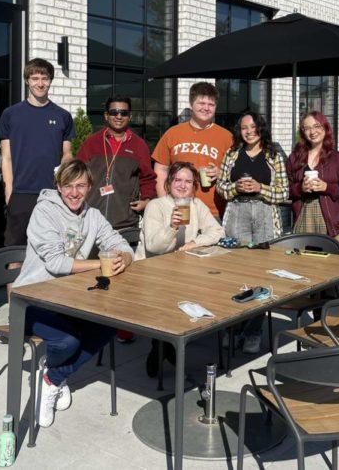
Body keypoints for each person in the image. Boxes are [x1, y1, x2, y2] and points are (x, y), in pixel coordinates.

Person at [12, 159, 134, 428]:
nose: (75, 193)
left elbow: (119, 243)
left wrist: (124, 257)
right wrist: (100, 264)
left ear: (90, 187)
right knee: (67, 343)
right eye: (68, 186)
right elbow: (56, 263)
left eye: (81, 186)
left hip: (70, 299)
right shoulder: (44, 212)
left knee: (112, 324)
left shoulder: (92, 215)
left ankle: (52, 377)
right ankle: (56, 371)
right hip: (31, 300)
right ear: (58, 186)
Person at [137, 162, 224, 375]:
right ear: (168, 183)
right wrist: (172, 227)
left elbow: (218, 231)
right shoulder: (156, 206)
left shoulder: (195, 204)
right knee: (169, 297)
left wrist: (195, 243)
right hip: (152, 272)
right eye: (178, 180)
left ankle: (172, 343)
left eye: (188, 181)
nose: (183, 186)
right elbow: (154, 247)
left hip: (183, 272)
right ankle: (161, 345)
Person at [216, 111, 288, 353]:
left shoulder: (273, 154)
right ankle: (232, 327)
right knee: (235, 273)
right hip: (237, 212)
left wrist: (261, 187)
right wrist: (235, 187)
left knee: (261, 275)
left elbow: (283, 192)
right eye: (244, 127)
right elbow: (221, 187)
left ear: (261, 129)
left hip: (264, 213)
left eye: (253, 127)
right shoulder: (232, 153)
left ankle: (253, 331)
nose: (249, 132)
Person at [0, 58, 74, 252]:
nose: (40, 83)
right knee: (15, 252)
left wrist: (65, 170)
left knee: (53, 249)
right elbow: (6, 158)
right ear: (26, 80)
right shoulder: (11, 114)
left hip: (53, 193)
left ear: (50, 80)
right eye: (35, 78)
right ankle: (14, 285)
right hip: (21, 193)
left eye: (45, 78)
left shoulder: (63, 116)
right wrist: (9, 193)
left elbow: (67, 153)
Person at [77, 95, 156, 246]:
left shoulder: (139, 145)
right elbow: (77, 175)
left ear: (130, 116)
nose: (119, 116)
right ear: (106, 116)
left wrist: (146, 200)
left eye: (124, 113)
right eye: (114, 112)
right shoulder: (91, 143)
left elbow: (148, 178)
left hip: (124, 224)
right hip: (91, 220)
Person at [152, 82, 233, 220]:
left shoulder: (227, 137)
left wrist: (221, 173)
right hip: (179, 210)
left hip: (213, 213)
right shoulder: (173, 133)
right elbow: (161, 170)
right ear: (191, 104)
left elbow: (237, 173)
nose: (206, 108)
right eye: (201, 103)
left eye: (211, 104)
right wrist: (165, 204)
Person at [287, 111, 339, 256]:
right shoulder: (294, 158)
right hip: (304, 218)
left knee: (338, 269)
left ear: (325, 127)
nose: (312, 132)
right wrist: (301, 188)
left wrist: (327, 187)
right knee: (305, 268)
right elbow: (287, 190)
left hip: (332, 222)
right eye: (307, 128)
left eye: (316, 126)